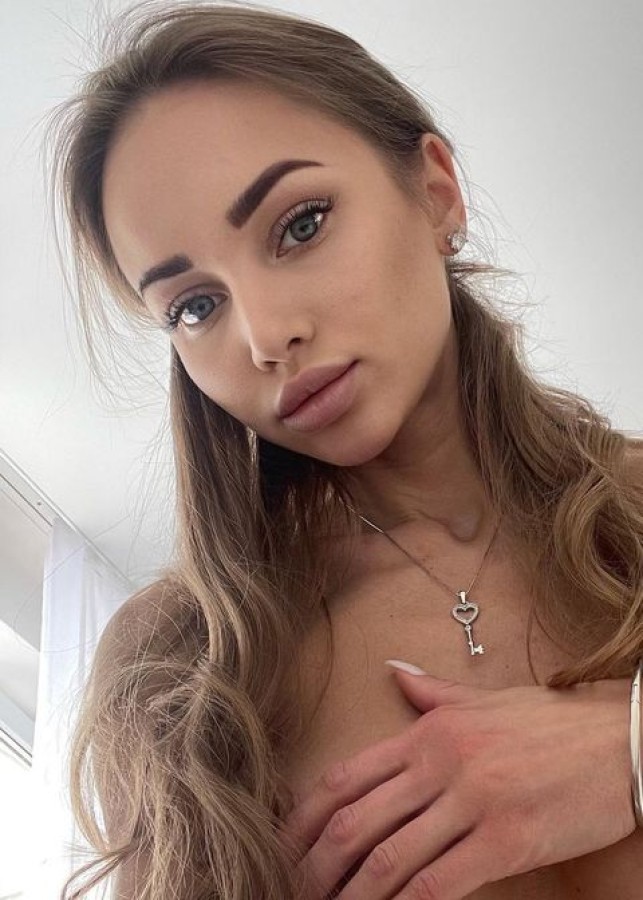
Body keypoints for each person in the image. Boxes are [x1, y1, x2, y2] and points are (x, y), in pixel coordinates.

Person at [44, 2, 643, 898]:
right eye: (195, 306)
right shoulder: (182, 665)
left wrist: (626, 746)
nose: (265, 336)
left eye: (300, 224)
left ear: (435, 192)